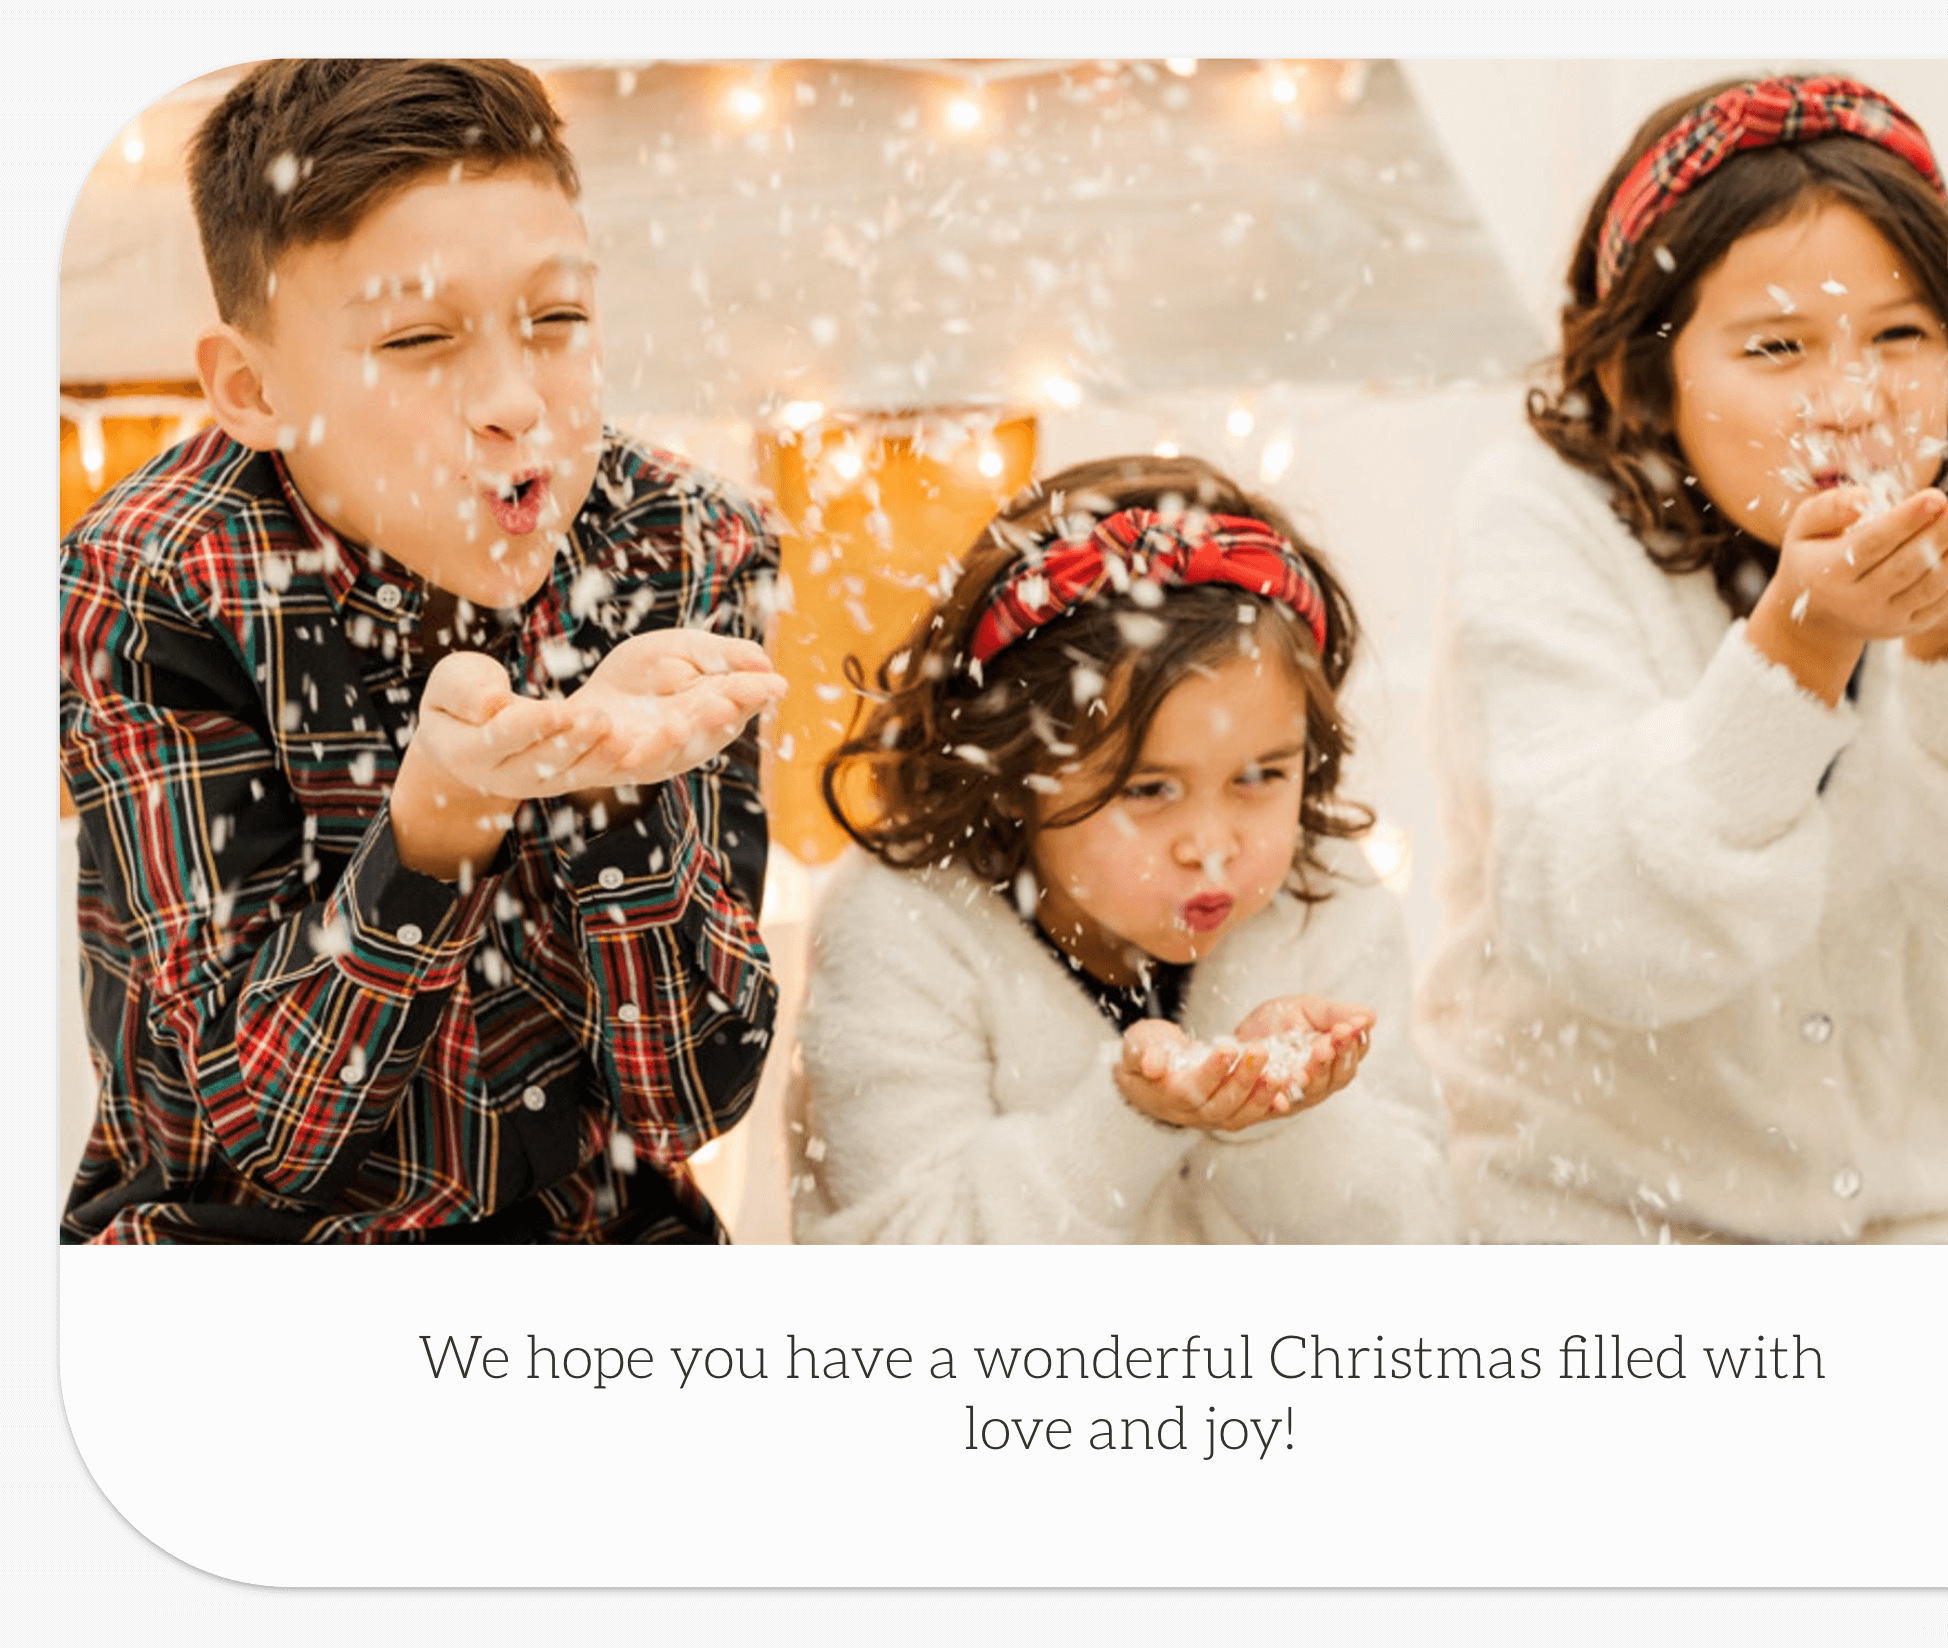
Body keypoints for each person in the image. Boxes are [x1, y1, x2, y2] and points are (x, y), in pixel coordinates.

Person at [1415, 73, 1948, 1243]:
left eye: (1901, 335)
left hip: (1910, 1237)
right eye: (1777, 346)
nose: (1853, 403)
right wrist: (1800, 647)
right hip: (1582, 1228)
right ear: (1641, 376)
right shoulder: (1544, 516)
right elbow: (1603, 945)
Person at [60, 59, 788, 1242]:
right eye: (417, 338)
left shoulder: (684, 539)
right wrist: (433, 837)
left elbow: (694, 1097)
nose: (516, 401)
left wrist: (612, 796)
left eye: (557, 319)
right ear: (251, 387)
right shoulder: (159, 574)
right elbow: (247, 1136)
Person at [791, 455, 1452, 1243]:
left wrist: (1279, 1118)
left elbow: (1414, 1243)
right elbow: (894, 1267)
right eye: (1147, 790)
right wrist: (1128, 1118)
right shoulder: (902, 924)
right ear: (1012, 771)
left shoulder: (1328, 897)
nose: (1211, 849)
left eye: (1259, 775)